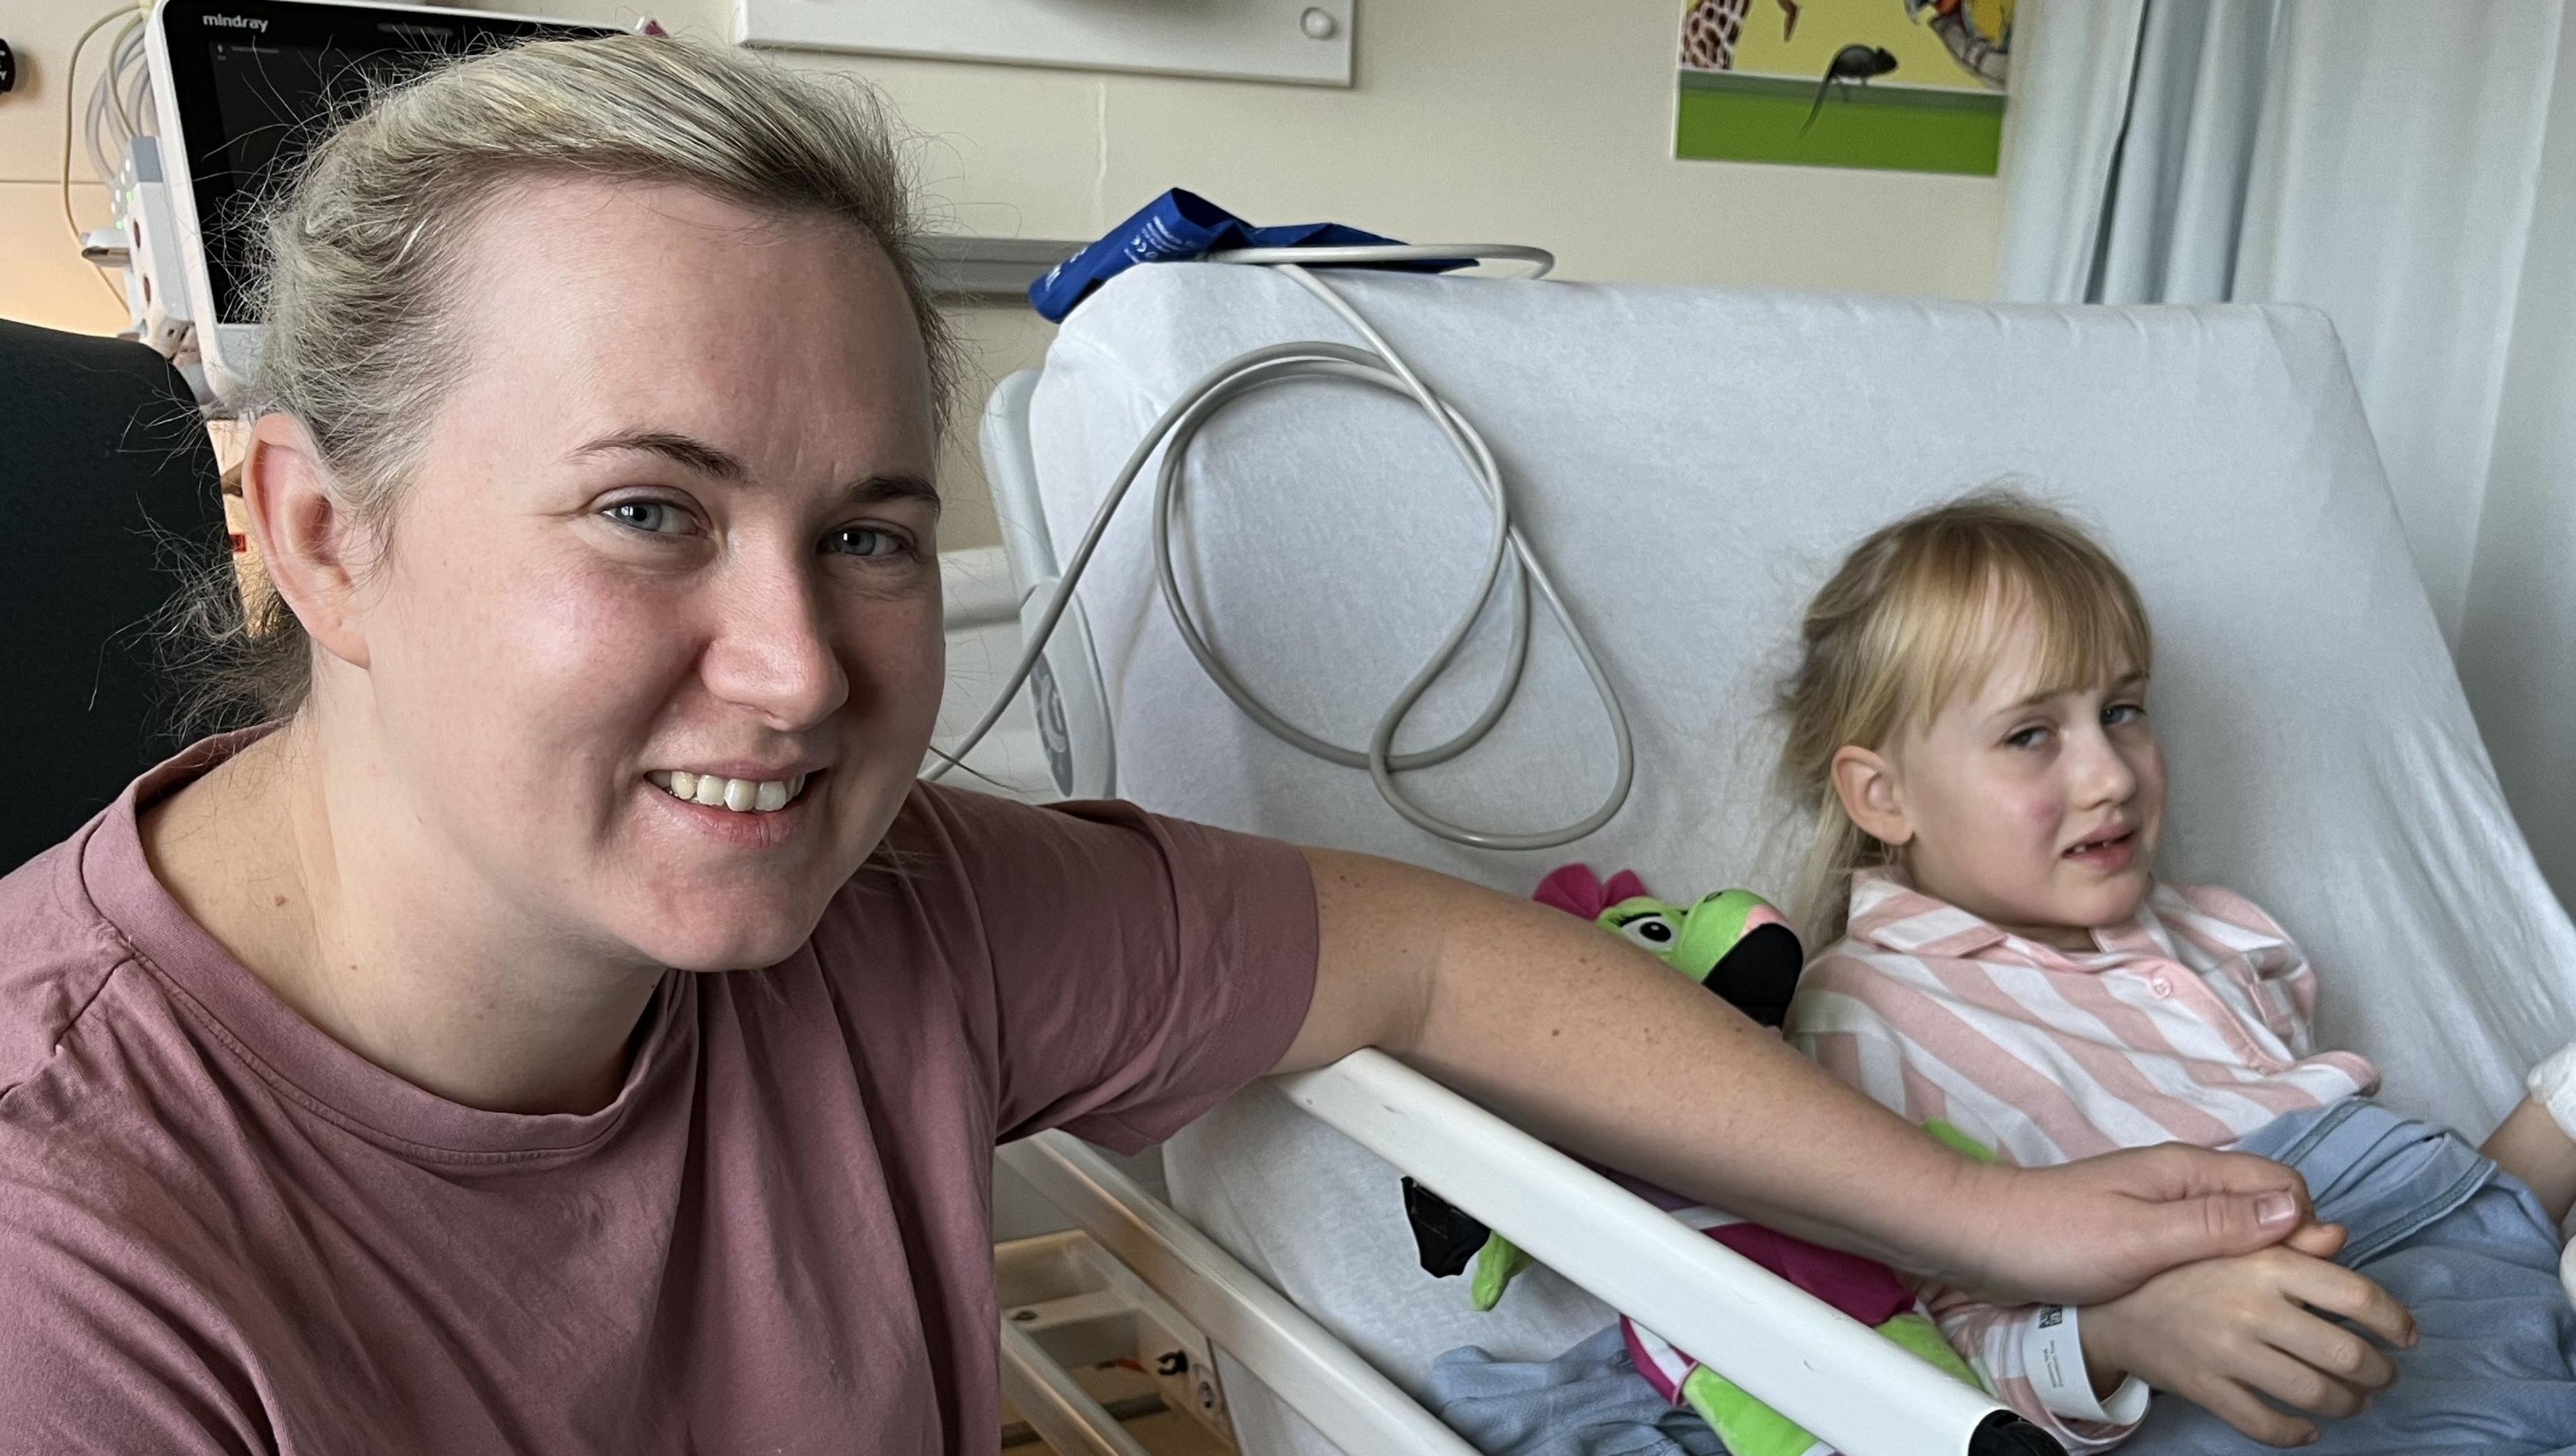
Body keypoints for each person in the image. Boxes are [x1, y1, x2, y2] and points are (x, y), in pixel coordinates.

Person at [0, 36, 2322, 1455]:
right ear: (321, 529)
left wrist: (2000, 1221)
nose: (802, 673)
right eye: (648, 512)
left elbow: (1416, 964)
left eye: (876, 533)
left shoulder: (904, 920)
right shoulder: (73, 1265)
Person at [1776, 492, 2576, 1453]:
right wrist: (2123, 1335)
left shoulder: (2218, 936)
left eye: (2122, 711)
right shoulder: (1862, 1011)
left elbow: (2441, 1246)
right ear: (1884, 794)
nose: (2111, 774)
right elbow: (1908, 1347)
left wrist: (2570, 1098)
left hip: (2473, 1330)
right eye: (2031, 734)